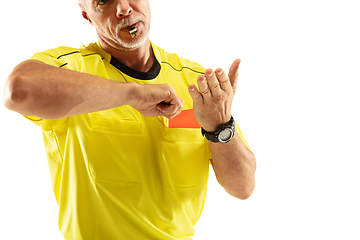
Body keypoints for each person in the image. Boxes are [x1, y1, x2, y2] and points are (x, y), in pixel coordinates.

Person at [3, 0, 256, 239]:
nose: (123, 8)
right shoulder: (70, 70)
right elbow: (17, 91)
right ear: (87, 16)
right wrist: (133, 94)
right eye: (103, 1)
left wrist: (220, 126)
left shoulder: (197, 83)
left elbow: (243, 187)